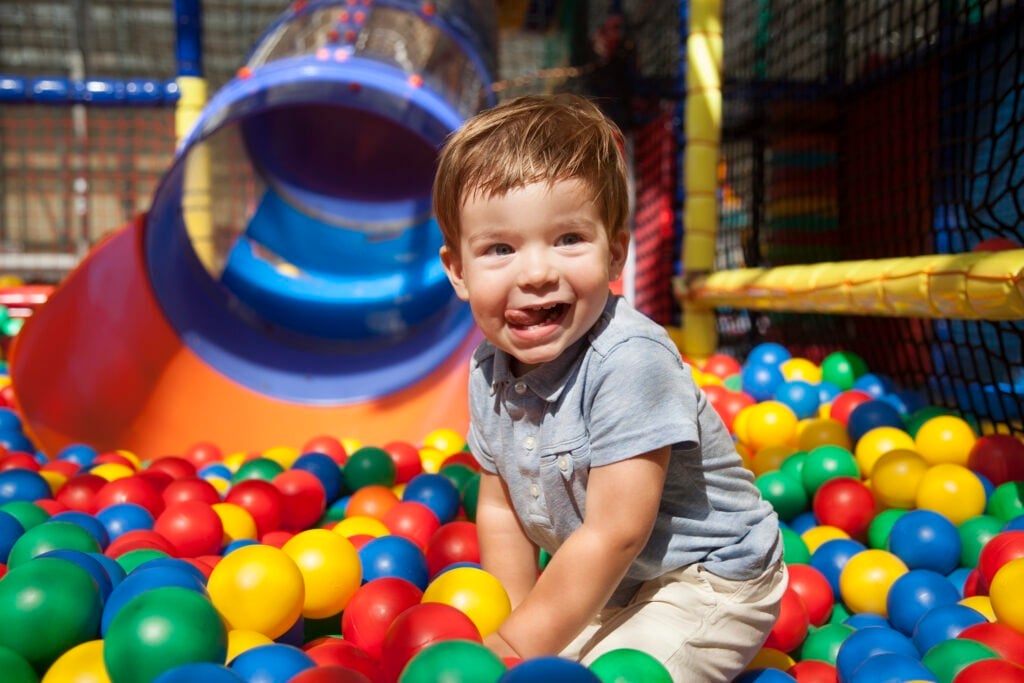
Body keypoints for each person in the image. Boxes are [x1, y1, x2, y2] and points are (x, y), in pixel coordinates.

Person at [432, 92, 786, 682]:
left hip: (707, 577)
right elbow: (501, 510)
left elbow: (616, 533)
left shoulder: (629, 361)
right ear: (458, 271)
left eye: (569, 238)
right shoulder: (486, 369)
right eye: (500, 249)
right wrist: (516, 624)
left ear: (615, 250)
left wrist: (515, 646)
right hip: (616, 584)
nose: (538, 271)